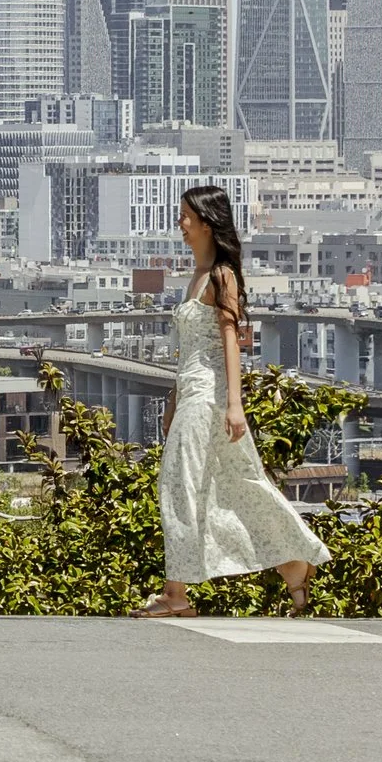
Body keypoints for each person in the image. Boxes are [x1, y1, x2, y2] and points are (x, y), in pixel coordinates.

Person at [132, 184, 329, 618]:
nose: (180, 224)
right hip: (192, 393)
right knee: (226, 485)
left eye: (186, 216)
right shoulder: (196, 277)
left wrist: (234, 405)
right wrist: (173, 396)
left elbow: (231, 343)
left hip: (211, 398)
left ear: (206, 222)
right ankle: (294, 564)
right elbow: (192, 349)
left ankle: (175, 594)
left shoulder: (222, 276)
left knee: (180, 486)